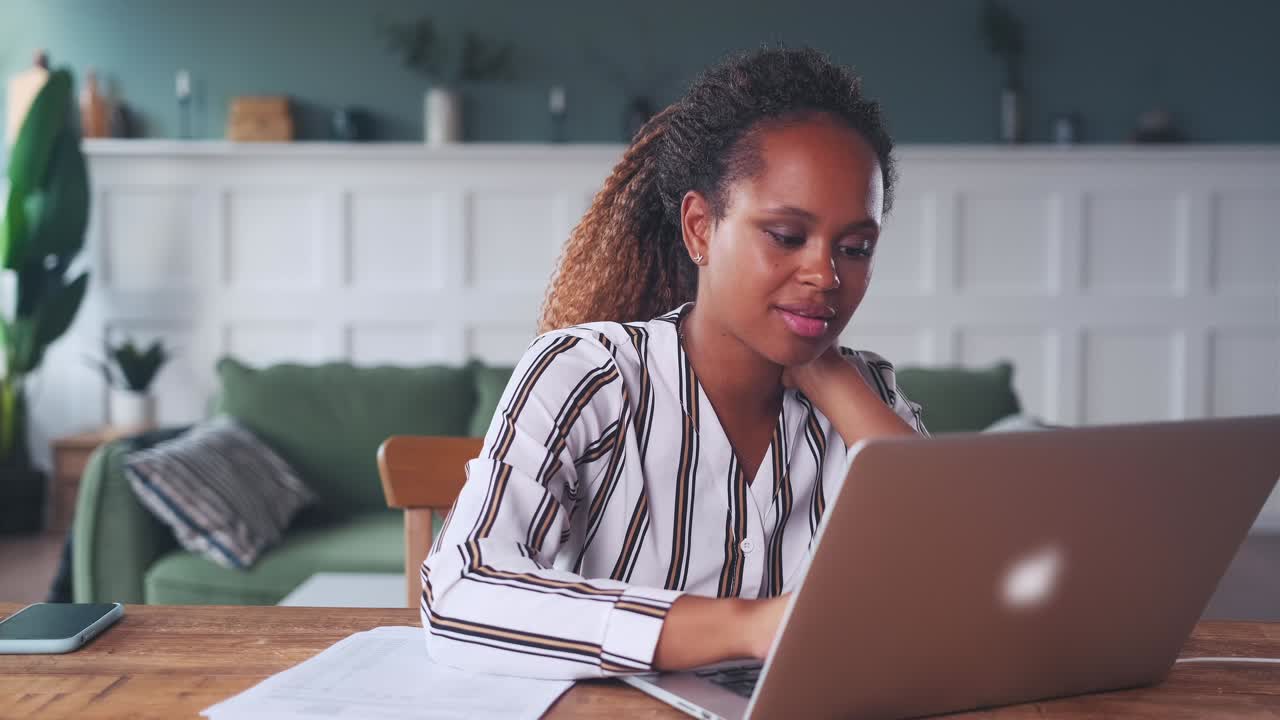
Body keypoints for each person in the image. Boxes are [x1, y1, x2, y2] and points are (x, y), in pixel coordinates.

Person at [421, 46, 928, 680]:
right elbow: (461, 592)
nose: (825, 276)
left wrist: (837, 387)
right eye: (787, 236)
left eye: (855, 247)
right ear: (699, 228)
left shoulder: (869, 395)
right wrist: (753, 627)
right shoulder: (589, 375)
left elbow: (965, 586)